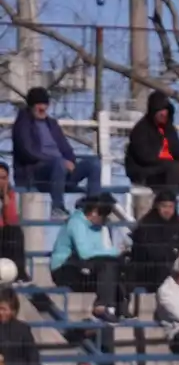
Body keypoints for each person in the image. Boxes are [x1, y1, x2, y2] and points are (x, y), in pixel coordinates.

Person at [10, 88, 101, 218]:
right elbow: (27, 151)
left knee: (93, 164)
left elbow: (66, 149)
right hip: (36, 173)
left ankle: (92, 207)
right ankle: (57, 209)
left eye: (45, 104)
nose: (42, 108)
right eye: (38, 104)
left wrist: (71, 161)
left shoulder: (52, 124)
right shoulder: (23, 124)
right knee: (58, 162)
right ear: (31, 106)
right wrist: (58, 162)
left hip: (60, 171)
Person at [50, 195, 124, 321]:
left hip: (85, 267)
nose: (105, 219)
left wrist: (117, 255)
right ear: (94, 212)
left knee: (117, 265)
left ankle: (122, 308)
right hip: (65, 269)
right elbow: (85, 253)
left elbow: (102, 253)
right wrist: (115, 251)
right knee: (108, 263)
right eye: (104, 215)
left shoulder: (98, 227)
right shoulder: (76, 223)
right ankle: (101, 306)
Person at [127, 190, 179, 290]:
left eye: (171, 207)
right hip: (149, 269)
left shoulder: (176, 224)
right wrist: (176, 255)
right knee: (164, 266)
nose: (167, 210)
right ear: (157, 206)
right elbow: (153, 252)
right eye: (164, 206)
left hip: (173, 265)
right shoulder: (147, 225)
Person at [0, 162, 25, 280]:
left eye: (3, 178)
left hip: (4, 235)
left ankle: (20, 273)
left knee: (15, 231)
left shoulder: (10, 193)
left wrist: (5, 197)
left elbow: (11, 219)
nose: (1, 181)